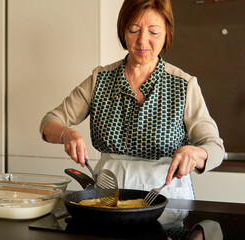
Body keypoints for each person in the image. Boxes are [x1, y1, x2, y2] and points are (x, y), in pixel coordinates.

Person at [39, 0, 224, 200]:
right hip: (108, 196)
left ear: (166, 33)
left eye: (153, 32)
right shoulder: (100, 80)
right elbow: (49, 122)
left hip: (166, 196)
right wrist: (67, 134)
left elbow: (215, 147)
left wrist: (195, 154)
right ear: (123, 31)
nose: (142, 41)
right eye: (134, 30)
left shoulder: (184, 85)